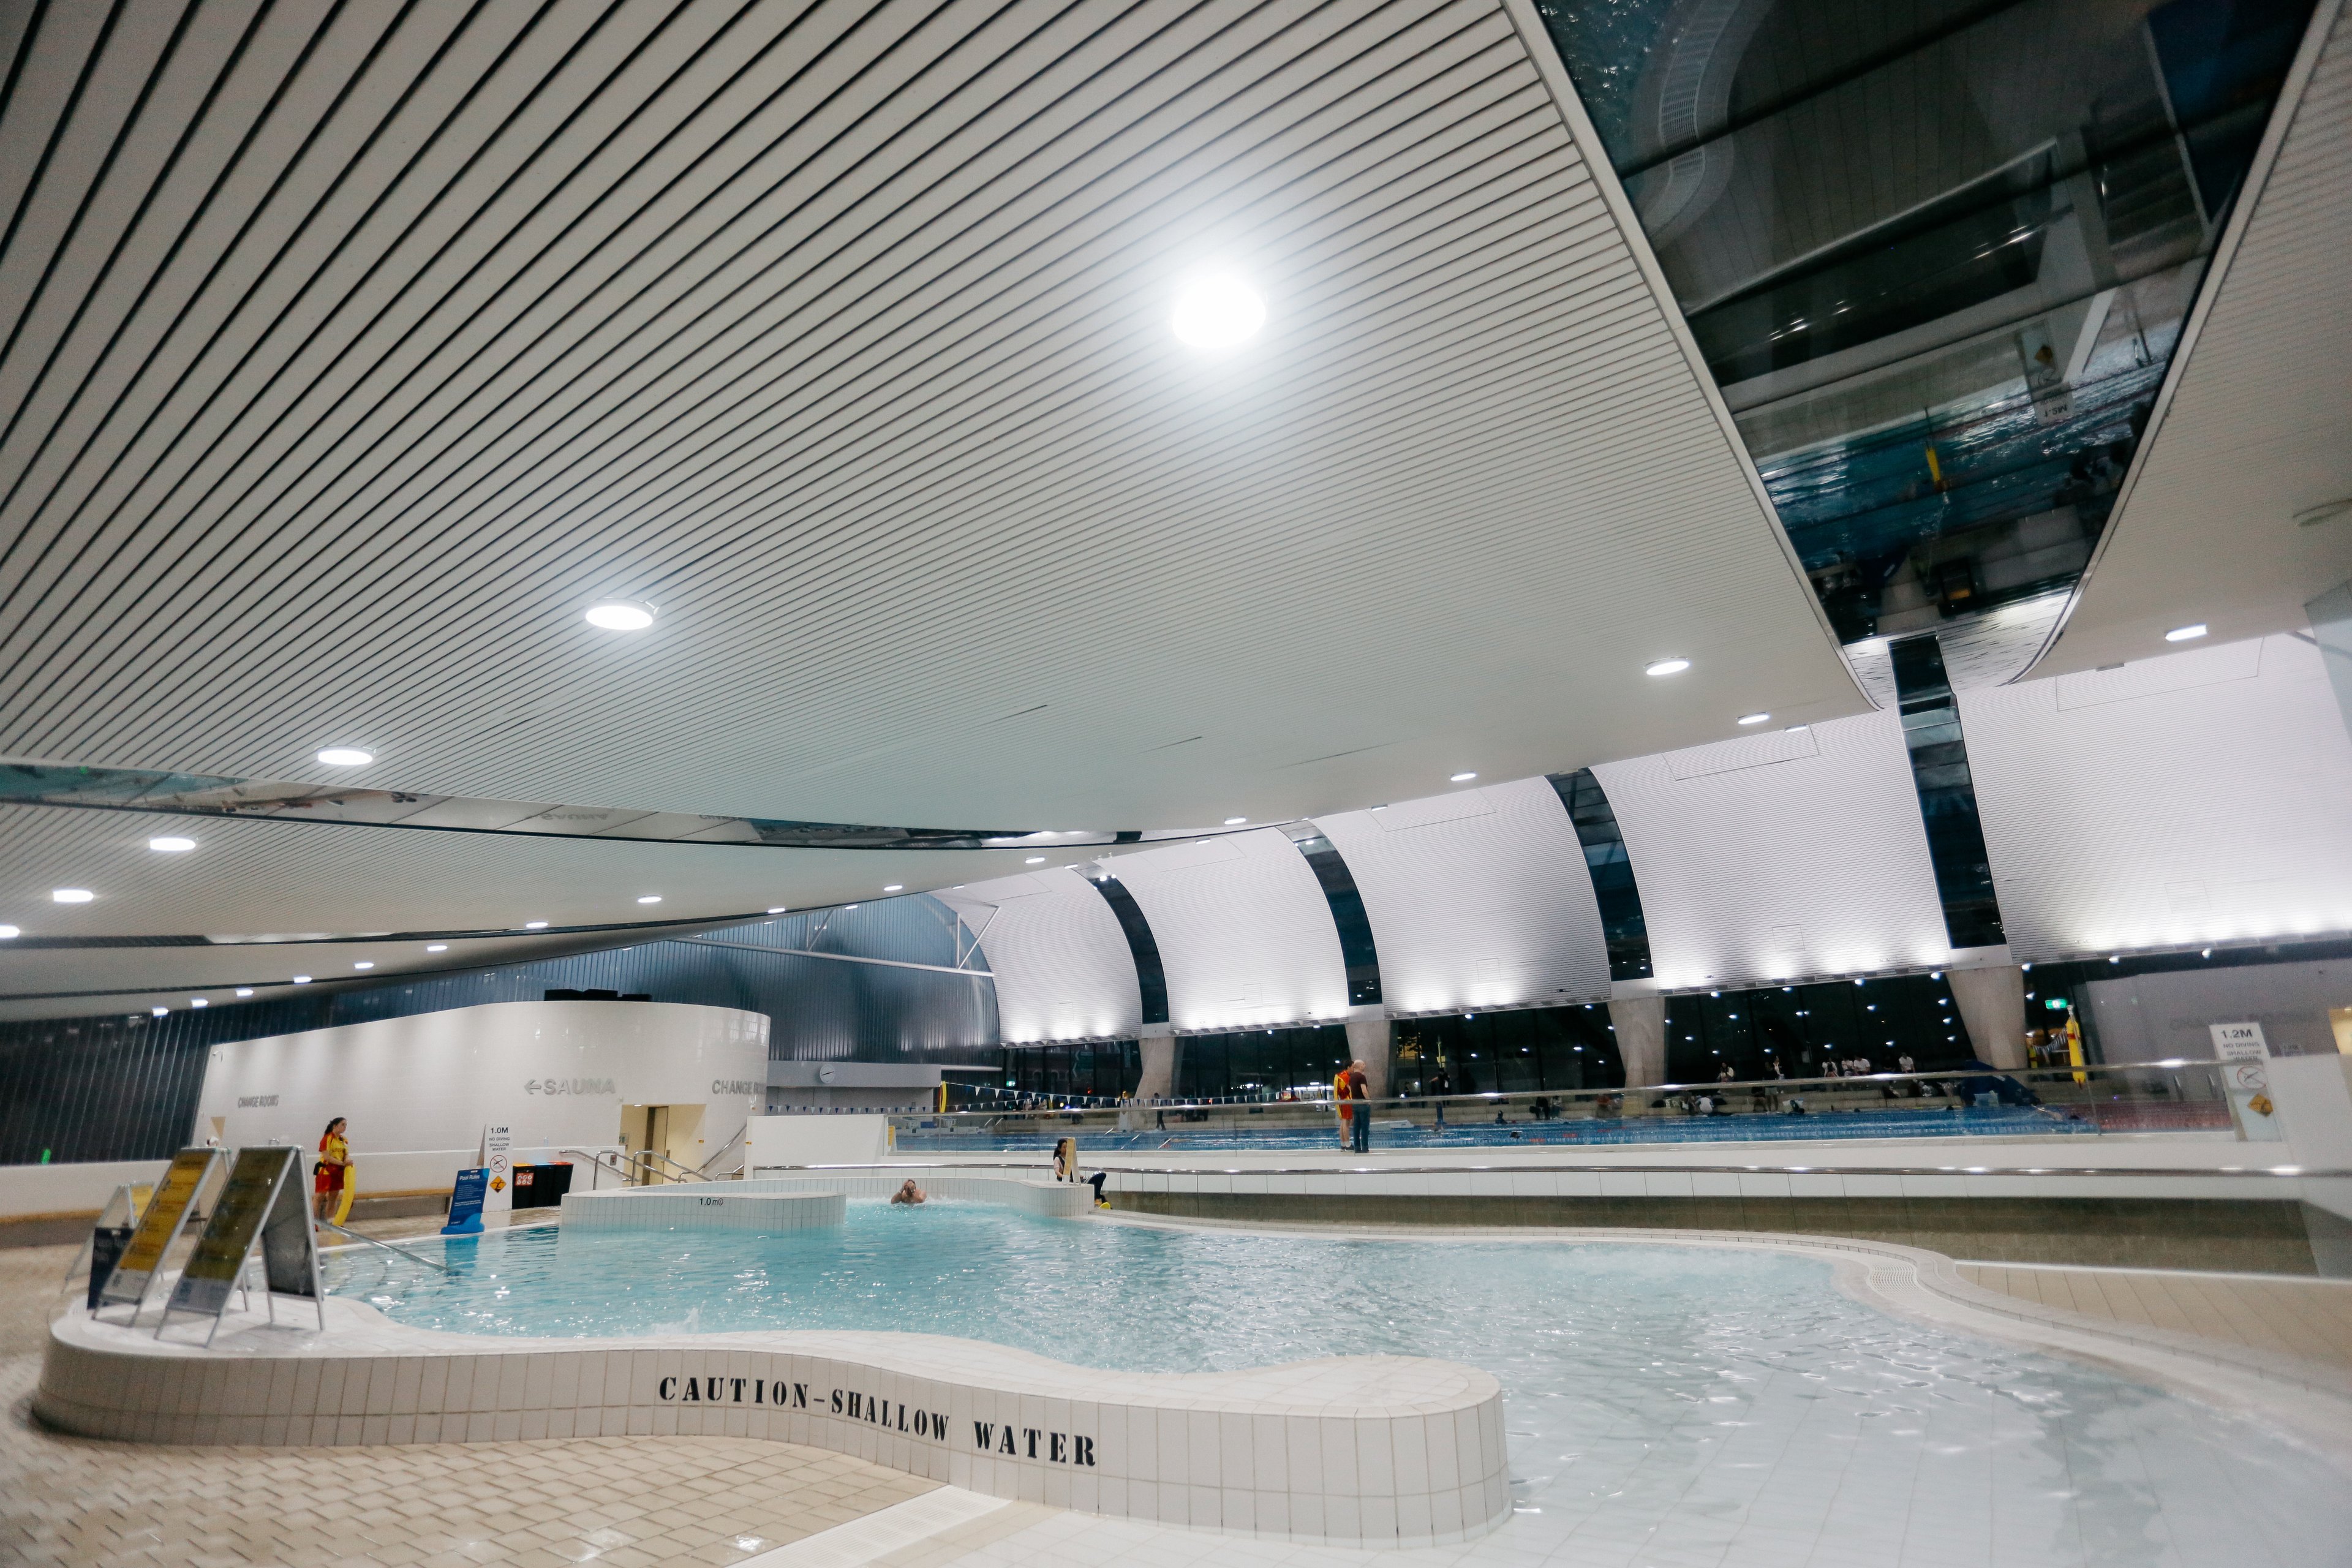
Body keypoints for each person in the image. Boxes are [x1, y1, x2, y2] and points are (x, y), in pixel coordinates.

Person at [314, 1117, 350, 1223]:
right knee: (319, 1197)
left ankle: (331, 1221)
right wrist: (342, 1163)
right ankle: (314, 1222)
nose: (345, 1127)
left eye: (346, 1125)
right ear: (335, 1126)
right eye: (342, 1124)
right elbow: (327, 1157)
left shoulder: (344, 1140)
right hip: (325, 1172)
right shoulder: (327, 1139)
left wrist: (347, 1159)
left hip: (338, 1172)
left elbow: (346, 1154)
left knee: (333, 1197)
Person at [1341, 1058, 1371, 1153]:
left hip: (1354, 1104)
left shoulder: (1352, 1077)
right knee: (1365, 1127)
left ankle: (1357, 1148)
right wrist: (1369, 1100)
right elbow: (1364, 1091)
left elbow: (1351, 1090)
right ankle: (1365, 1148)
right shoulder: (1361, 1077)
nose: (1365, 1066)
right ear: (1359, 1066)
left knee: (1357, 1127)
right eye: (1363, 1064)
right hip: (1362, 1103)